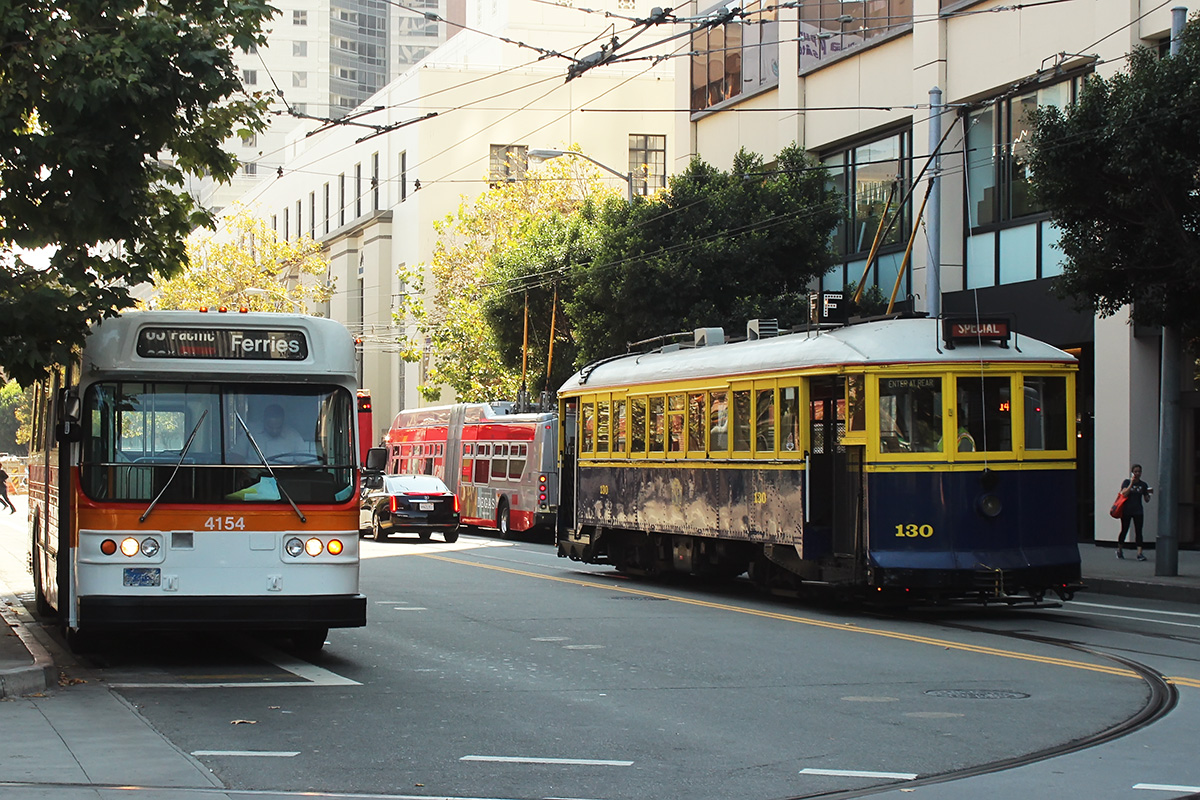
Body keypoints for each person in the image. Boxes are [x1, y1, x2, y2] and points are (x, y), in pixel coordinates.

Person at [1116, 463, 1152, 561]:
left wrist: (1149, 494)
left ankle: (1139, 553)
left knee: (1139, 531)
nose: (1137, 474)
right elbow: (1124, 493)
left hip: (1138, 510)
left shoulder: (1143, 484)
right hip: (1126, 510)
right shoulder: (1126, 482)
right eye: (1135, 472)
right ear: (1132, 472)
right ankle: (1119, 549)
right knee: (1124, 530)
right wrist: (1131, 483)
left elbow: (1146, 499)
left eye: (1139, 472)